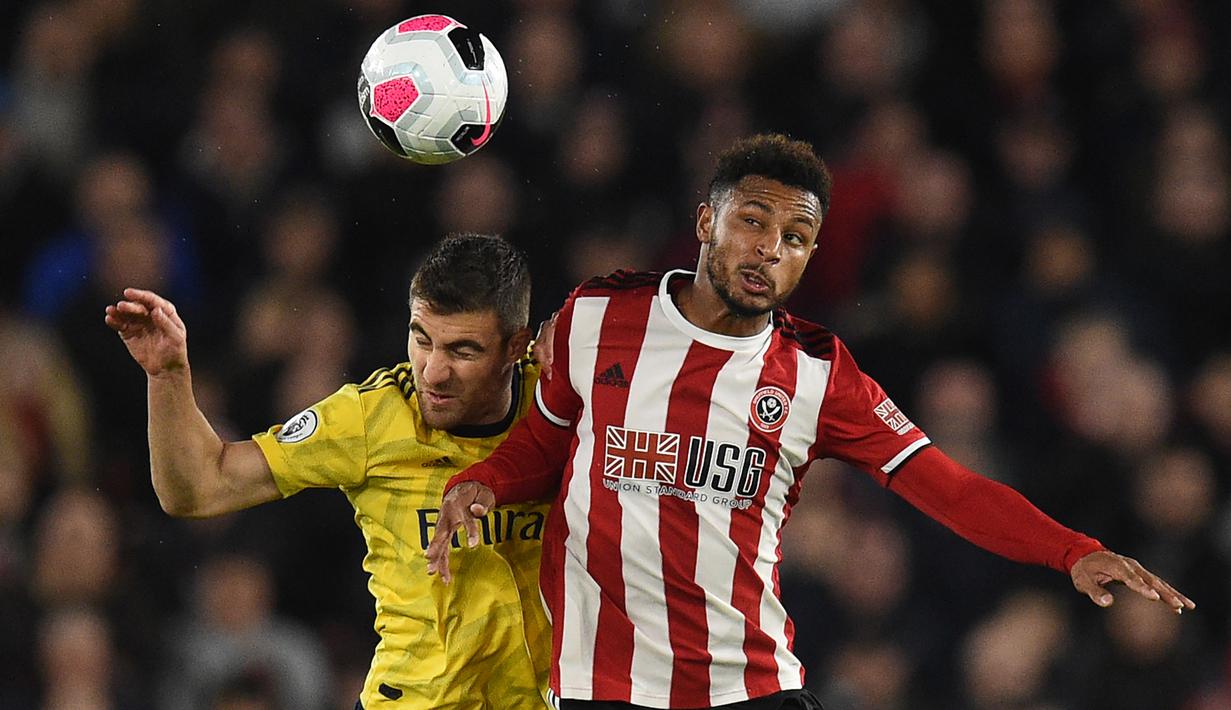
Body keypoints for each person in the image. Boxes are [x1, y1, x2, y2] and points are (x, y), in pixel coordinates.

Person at [426, 134, 1196, 710]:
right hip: (602, 685)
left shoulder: (820, 375)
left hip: (750, 685)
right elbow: (545, 441)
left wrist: (1071, 552)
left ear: (810, 254)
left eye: (793, 238)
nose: (768, 249)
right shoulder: (599, 314)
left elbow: (947, 486)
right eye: (752, 223)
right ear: (705, 221)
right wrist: (485, 482)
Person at [105, 233, 554, 709]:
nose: (433, 372)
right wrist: (168, 376)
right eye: (422, 340)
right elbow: (198, 490)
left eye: (463, 352)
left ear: (515, 347)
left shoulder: (562, 403)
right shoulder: (369, 418)